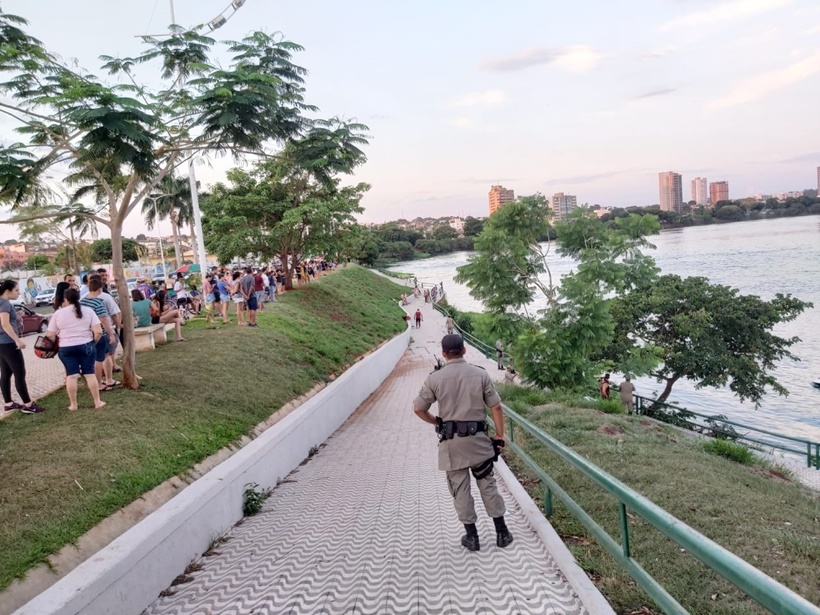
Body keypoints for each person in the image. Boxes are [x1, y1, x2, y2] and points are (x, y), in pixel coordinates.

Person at [413, 334, 513, 552]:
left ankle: (473, 537)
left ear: (443, 353)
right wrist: (499, 435)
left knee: (460, 490)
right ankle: (502, 533)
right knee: (487, 485)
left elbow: (419, 409)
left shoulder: (434, 379)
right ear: (465, 350)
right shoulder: (480, 374)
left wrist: (436, 422)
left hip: (452, 446)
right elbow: (496, 407)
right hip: (479, 443)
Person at [46, 288, 105, 411]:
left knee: (71, 376)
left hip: (66, 347)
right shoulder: (88, 311)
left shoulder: (58, 313)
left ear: (66, 299)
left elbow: (50, 335)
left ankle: (73, 404)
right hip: (86, 344)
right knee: (89, 373)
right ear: (79, 298)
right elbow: (98, 331)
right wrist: (92, 343)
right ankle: (97, 402)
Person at [0, 280, 44, 414]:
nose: (19, 293)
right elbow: (5, 324)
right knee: (20, 373)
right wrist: (17, 340)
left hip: (1, 344)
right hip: (8, 343)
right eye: (17, 290)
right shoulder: (4, 303)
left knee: (6, 373)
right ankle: (28, 404)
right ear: (8, 291)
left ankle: (8, 403)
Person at [81, 277, 118, 390]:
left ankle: (108, 379)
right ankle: (99, 383)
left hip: (88, 333)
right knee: (99, 359)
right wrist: (111, 334)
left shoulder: (82, 302)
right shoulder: (98, 302)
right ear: (100, 289)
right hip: (99, 333)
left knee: (104, 355)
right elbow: (104, 319)